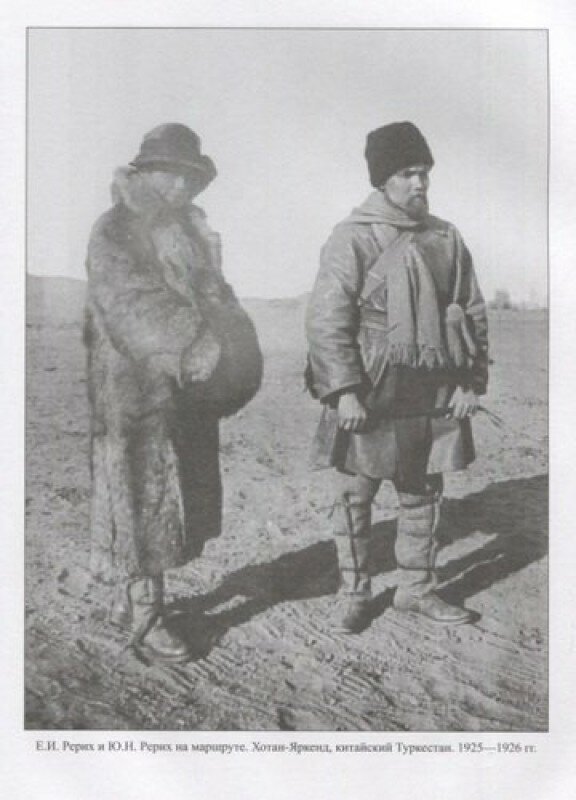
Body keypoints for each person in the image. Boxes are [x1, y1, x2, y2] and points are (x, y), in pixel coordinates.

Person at [84, 123, 262, 662]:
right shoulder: (116, 228)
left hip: (185, 392)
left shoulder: (191, 234)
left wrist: (236, 346)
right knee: (143, 497)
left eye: (191, 177)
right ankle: (147, 616)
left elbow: (217, 298)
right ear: (147, 173)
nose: (183, 185)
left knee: (174, 496)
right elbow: (129, 303)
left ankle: (130, 600)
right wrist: (195, 344)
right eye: (172, 173)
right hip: (135, 393)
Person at [306, 121, 489, 634]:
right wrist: (344, 391)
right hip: (369, 387)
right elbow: (327, 320)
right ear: (382, 178)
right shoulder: (352, 237)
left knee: (421, 493)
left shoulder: (446, 237)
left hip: (431, 386)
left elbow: (471, 312)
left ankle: (417, 589)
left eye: (424, 172)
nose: (419, 183)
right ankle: (355, 593)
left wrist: (469, 383)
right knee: (354, 496)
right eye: (408, 172)